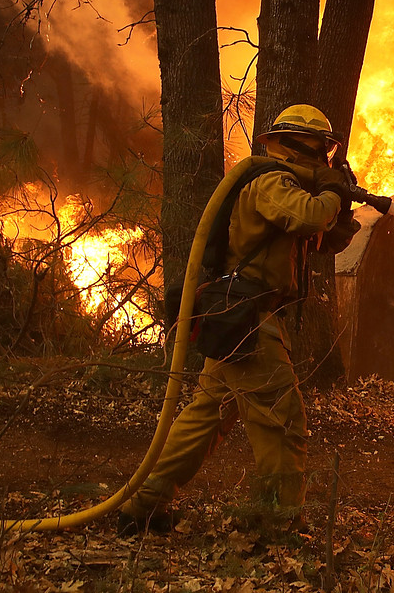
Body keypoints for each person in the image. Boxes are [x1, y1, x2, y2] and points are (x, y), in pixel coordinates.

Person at [118, 104, 352, 534]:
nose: (324, 158)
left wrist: (339, 214)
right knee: (283, 422)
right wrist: (332, 195)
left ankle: (144, 504)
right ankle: (281, 522)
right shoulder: (271, 180)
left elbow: (310, 234)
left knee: (206, 415)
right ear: (297, 145)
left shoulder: (278, 184)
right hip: (251, 321)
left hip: (241, 316)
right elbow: (306, 215)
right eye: (321, 148)